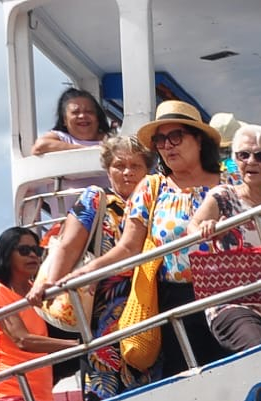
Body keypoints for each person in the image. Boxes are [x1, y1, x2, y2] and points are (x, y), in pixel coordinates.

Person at [73, 100, 226, 378]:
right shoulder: (152, 188)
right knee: (190, 382)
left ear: (199, 140)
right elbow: (129, 247)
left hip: (232, 293)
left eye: (175, 136)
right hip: (177, 301)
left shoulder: (230, 180)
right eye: (160, 140)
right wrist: (91, 269)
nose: (167, 146)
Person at [26, 133, 159, 401]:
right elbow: (68, 245)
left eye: (135, 166)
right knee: (106, 392)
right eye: (119, 165)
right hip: (103, 313)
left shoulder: (156, 202)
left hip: (149, 304)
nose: (127, 172)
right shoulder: (96, 200)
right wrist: (50, 282)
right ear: (108, 170)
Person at [187, 123, 261, 352]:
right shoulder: (223, 196)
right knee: (260, 349)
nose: (251, 161)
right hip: (234, 302)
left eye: (260, 156)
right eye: (243, 155)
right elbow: (193, 227)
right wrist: (207, 229)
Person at [0, 227, 78, 401]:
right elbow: (22, 339)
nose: (33, 255)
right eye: (24, 250)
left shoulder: (37, 292)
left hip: (41, 390)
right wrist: (76, 345)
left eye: (37, 250)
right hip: (9, 389)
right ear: (7, 254)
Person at [32, 87, 112, 155]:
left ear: (97, 117)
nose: (82, 116)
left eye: (89, 111)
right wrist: (87, 149)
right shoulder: (61, 138)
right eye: (75, 112)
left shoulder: (111, 140)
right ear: (64, 120)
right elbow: (40, 146)